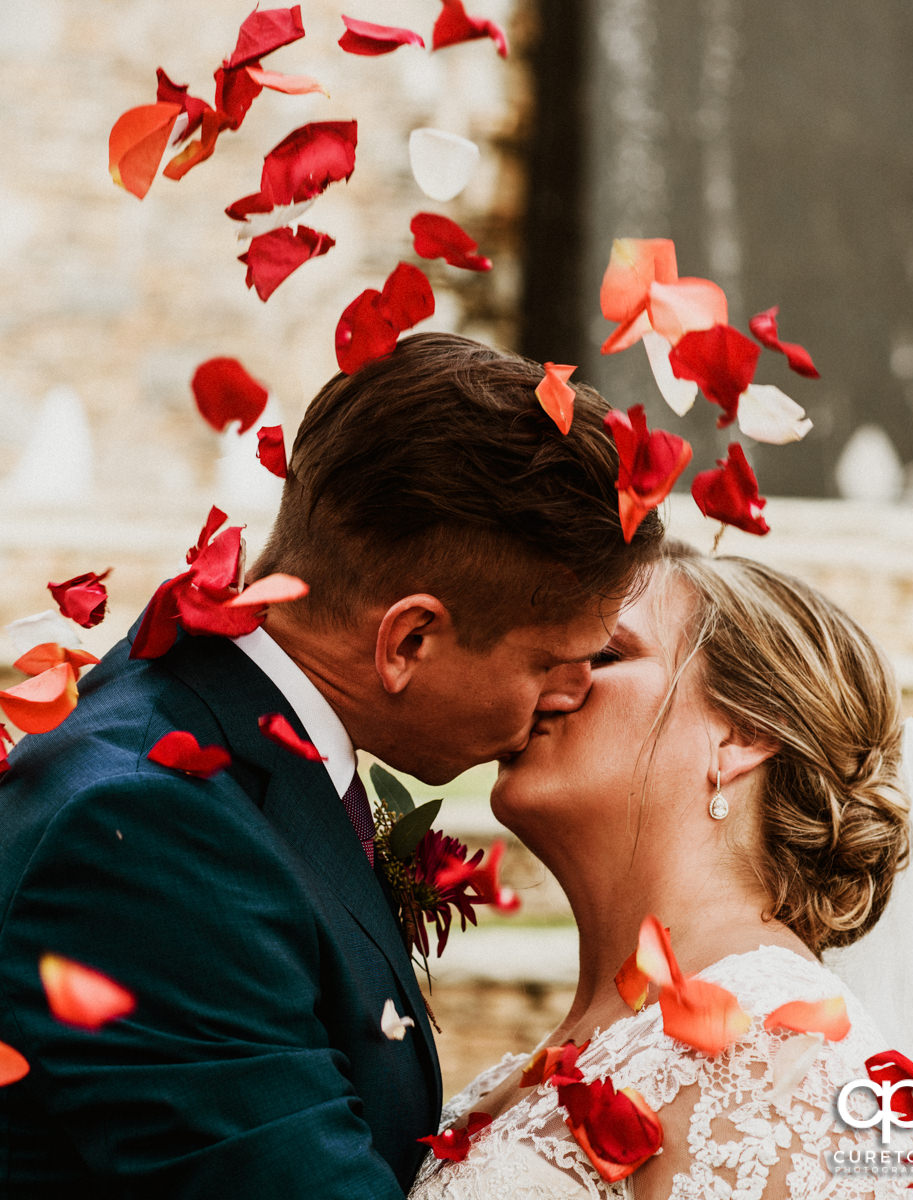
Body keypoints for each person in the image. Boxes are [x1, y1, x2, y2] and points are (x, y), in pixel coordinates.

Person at [0, 333, 661, 1198]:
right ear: (409, 640)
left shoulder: (215, 736)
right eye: (550, 663)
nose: (573, 694)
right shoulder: (156, 837)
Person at [411, 541, 913, 1199]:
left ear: (742, 732)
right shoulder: (609, 1040)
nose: (547, 677)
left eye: (602, 653)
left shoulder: (773, 1051)